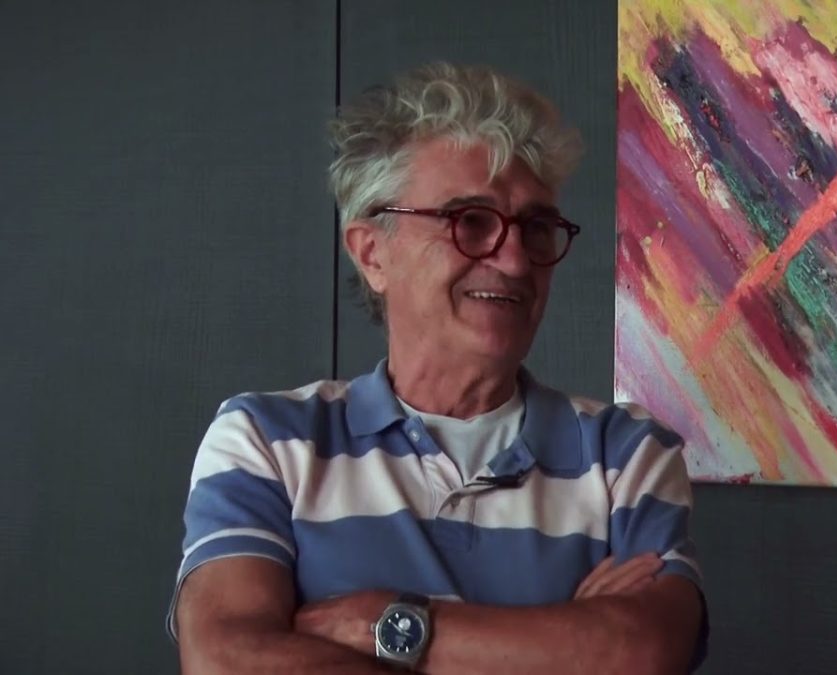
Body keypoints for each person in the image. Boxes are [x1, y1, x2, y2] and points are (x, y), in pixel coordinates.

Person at [168, 62, 706, 674]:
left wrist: (379, 624)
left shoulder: (627, 454)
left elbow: (641, 651)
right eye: (470, 222)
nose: (515, 262)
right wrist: (555, 646)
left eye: (535, 228)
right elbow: (226, 660)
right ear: (373, 253)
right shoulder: (266, 442)